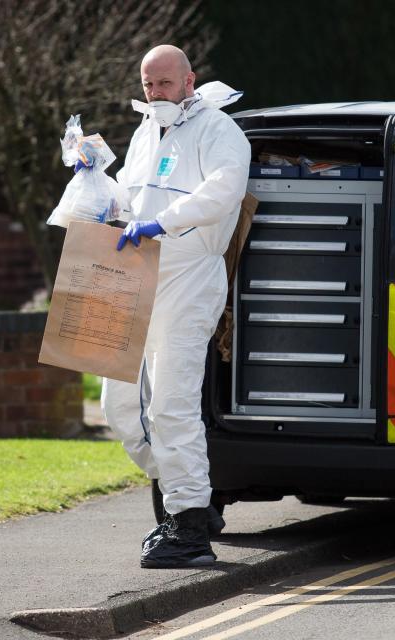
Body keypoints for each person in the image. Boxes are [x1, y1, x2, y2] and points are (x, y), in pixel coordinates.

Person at [99, 44, 250, 568]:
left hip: (188, 274)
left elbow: (224, 191)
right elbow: (131, 194)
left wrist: (162, 223)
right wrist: (93, 182)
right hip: (135, 271)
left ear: (190, 80)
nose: (154, 93)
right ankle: (190, 506)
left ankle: (188, 529)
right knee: (119, 406)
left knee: (170, 405)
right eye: (147, 84)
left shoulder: (219, 130)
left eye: (163, 83)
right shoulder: (146, 130)